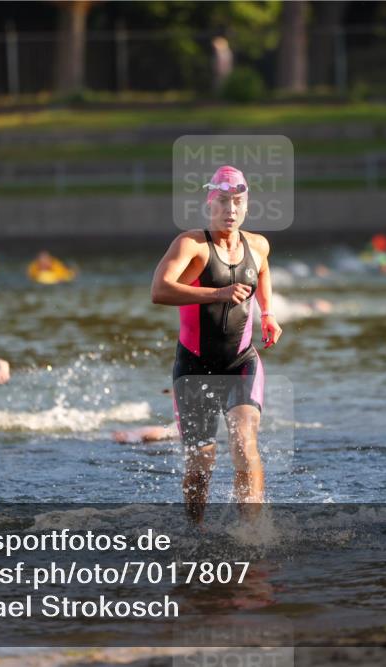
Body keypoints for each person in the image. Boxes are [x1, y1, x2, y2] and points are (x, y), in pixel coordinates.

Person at [151, 165, 283, 523]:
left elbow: (264, 270)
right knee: (201, 463)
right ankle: (196, 531)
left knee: (244, 441)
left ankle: (252, 533)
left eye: (238, 202)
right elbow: (159, 291)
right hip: (194, 366)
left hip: (241, 361)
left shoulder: (258, 245)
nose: (231, 209)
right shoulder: (191, 245)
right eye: (223, 201)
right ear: (210, 205)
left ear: (247, 206)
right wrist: (219, 293)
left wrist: (267, 313)